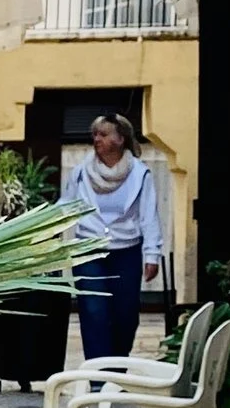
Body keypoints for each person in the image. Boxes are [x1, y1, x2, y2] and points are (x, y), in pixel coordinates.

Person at [65, 112, 164, 362]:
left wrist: (152, 254)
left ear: (120, 139)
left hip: (126, 252)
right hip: (89, 250)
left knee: (125, 314)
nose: (96, 139)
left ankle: (117, 368)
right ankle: (98, 373)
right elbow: (65, 206)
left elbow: (148, 215)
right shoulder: (80, 173)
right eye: (94, 134)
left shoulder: (140, 174)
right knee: (93, 310)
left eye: (103, 134)